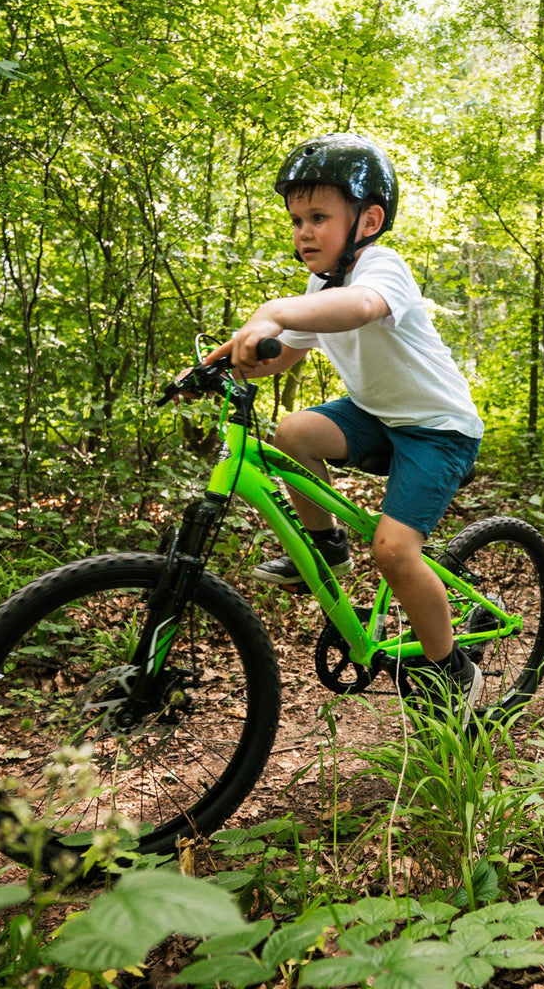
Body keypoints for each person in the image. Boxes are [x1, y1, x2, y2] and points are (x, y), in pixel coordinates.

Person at [200, 133, 485, 718]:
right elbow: (288, 351)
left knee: (395, 550)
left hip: (438, 427)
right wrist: (229, 359)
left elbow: (359, 309)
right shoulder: (318, 286)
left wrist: (272, 312)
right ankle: (328, 547)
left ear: (369, 219)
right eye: (297, 219)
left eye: (319, 217)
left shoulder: (383, 267)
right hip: (379, 416)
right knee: (295, 432)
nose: (304, 231)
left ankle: (452, 669)